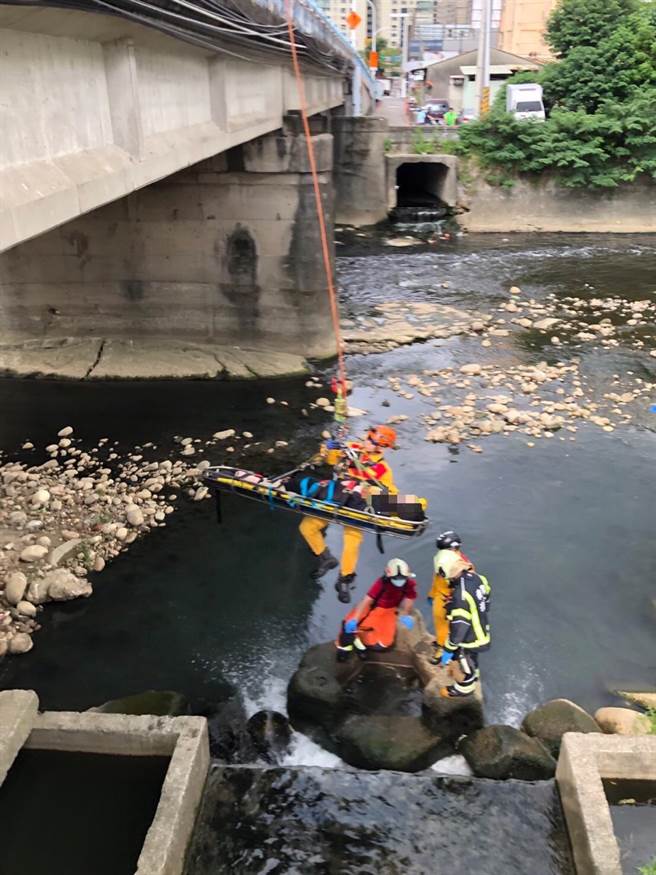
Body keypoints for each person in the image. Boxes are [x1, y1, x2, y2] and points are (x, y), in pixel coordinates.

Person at [299, 425, 398, 603]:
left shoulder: (383, 469)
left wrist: (366, 489)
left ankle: (344, 579)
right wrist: (329, 447)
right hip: (336, 497)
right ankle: (325, 558)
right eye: (368, 438)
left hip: (356, 505)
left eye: (372, 441)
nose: (367, 442)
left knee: (352, 542)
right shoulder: (352, 449)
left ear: (381, 447)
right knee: (307, 527)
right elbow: (330, 460)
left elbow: (389, 493)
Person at [335, 558, 417, 661]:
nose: (400, 581)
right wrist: (355, 619)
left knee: (384, 643)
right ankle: (347, 649)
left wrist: (405, 614)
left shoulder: (409, 584)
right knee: (347, 628)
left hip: (389, 611)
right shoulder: (381, 583)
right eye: (396, 578)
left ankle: (359, 641)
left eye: (402, 578)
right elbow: (367, 600)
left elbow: (410, 597)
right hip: (374, 608)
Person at [435, 551, 491, 698]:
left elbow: (459, 628)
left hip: (470, 637)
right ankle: (475, 674)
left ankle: (464, 688)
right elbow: (486, 596)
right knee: (472, 657)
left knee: (462, 658)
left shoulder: (460, 595)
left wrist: (449, 648)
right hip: (481, 629)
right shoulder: (477, 578)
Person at [427, 530, 474, 661]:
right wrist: (432, 594)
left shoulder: (463, 565)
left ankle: (445, 649)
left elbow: (466, 585)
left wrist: (454, 601)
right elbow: (437, 578)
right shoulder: (443, 561)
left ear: (453, 548)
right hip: (440, 595)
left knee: (449, 625)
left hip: (451, 599)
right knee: (439, 623)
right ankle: (441, 641)